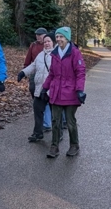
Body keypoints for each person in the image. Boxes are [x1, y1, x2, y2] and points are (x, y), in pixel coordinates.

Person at [41, 26, 86, 158]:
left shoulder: (75, 52)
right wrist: (45, 88)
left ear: (67, 38)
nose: (59, 39)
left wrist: (79, 90)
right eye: (57, 37)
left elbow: (80, 72)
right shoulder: (54, 53)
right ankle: (54, 147)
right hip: (56, 92)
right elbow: (52, 74)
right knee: (55, 121)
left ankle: (74, 145)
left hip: (71, 92)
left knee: (70, 122)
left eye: (61, 37)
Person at [17, 33, 55, 142]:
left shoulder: (57, 56)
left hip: (52, 90)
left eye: (49, 41)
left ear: (53, 43)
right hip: (40, 89)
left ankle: (58, 134)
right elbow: (33, 66)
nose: (47, 43)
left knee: (55, 115)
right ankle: (37, 133)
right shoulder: (40, 55)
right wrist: (23, 73)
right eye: (45, 41)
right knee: (38, 111)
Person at [24, 27, 51, 132]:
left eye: (40, 34)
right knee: (34, 93)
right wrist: (25, 70)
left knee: (47, 97)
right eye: (37, 34)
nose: (38, 36)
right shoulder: (33, 45)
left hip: (47, 74)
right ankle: (41, 117)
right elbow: (28, 58)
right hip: (34, 73)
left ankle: (47, 122)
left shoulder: (50, 45)